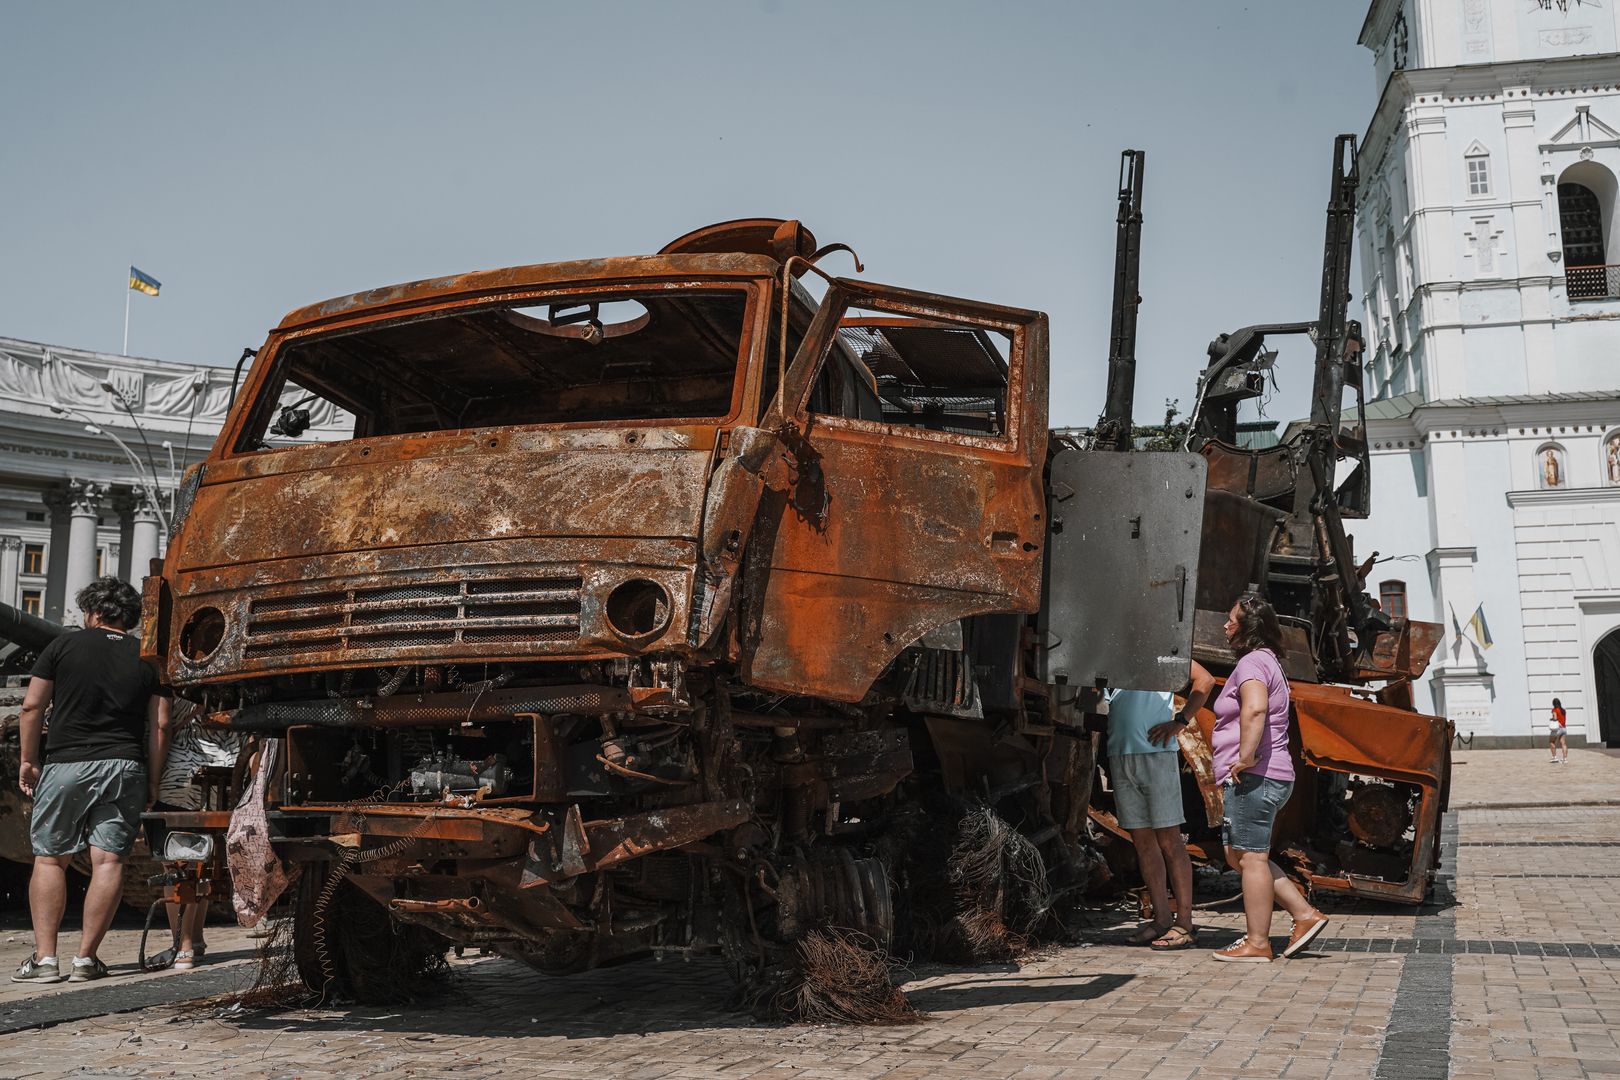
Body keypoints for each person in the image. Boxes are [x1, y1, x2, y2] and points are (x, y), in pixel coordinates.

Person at [13, 577, 172, 984]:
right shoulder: (149, 657)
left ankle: (46, 961)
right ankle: (86, 959)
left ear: (93, 611)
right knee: (109, 860)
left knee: (51, 857)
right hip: (125, 766)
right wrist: (153, 781)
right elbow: (160, 725)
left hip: (67, 765)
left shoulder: (63, 645)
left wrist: (28, 760)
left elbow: (32, 707)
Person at [1209, 593, 1329, 963]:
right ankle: (1305, 914)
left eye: (1232, 620)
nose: (1226, 625)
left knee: (1252, 858)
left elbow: (1255, 708)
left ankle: (1258, 942)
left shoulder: (1251, 663)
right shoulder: (1268, 661)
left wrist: (1245, 757)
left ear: (1249, 629)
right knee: (1238, 855)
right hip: (1269, 776)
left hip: (1256, 776)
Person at [1108, 661, 1216, 951]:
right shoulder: (1114, 649)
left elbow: (1204, 680)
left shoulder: (1159, 647)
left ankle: (1185, 923)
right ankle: (1161, 919)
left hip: (1156, 754)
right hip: (1120, 752)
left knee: (1169, 839)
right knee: (1143, 841)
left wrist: (1181, 720)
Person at [1549, 698, 1568, 764]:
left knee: (1552, 742)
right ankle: (1565, 759)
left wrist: (1551, 718)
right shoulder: (1563, 710)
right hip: (1564, 728)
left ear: (1553, 704)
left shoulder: (1554, 710)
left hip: (1557, 728)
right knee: (1563, 743)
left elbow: (1555, 718)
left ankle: (1555, 758)